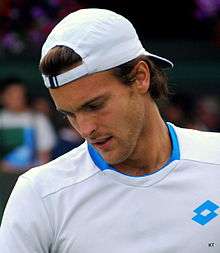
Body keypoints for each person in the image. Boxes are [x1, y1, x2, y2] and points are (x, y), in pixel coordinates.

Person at [0, 8, 220, 253]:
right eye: (69, 114)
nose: (85, 129)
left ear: (140, 77)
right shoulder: (38, 195)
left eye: (95, 106)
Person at [0, 78, 56, 222]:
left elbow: (45, 155)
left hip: (30, 179)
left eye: (20, 94)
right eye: (11, 94)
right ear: (3, 96)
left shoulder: (37, 119)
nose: (17, 98)